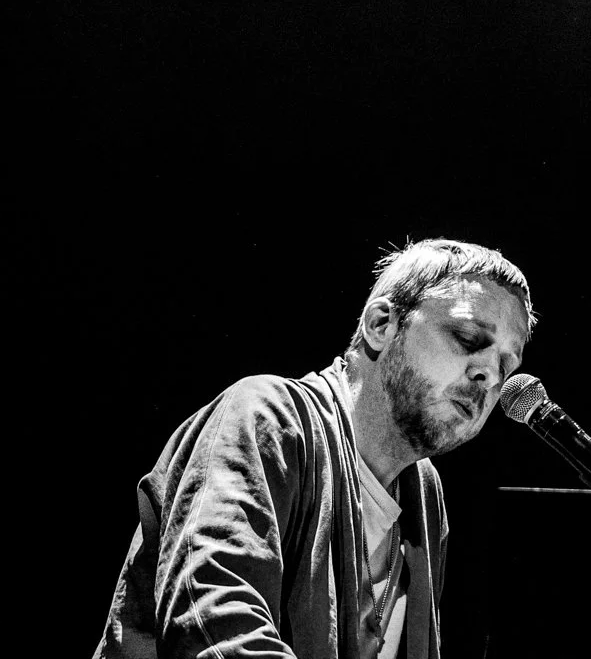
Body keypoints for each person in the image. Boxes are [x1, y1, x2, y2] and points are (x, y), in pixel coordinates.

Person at [92, 236, 534, 659]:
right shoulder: (265, 416)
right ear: (381, 325)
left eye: (505, 365)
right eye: (468, 338)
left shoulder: (424, 493)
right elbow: (213, 620)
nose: (489, 375)